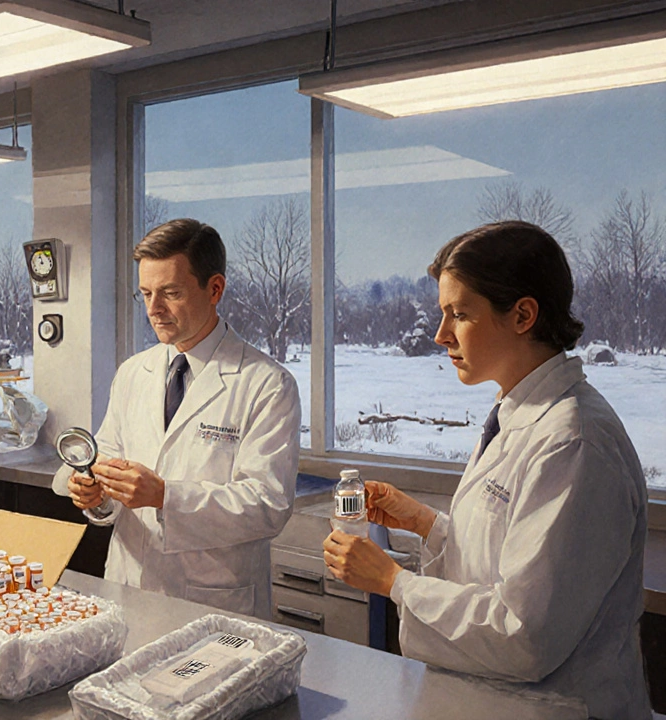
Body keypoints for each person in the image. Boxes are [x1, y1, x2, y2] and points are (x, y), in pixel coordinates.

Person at [322, 221, 651, 719]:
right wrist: (424, 524)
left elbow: (524, 634)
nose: (440, 335)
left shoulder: (574, 441)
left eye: (459, 314)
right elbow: (509, 557)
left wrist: (394, 582)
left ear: (522, 315)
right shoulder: (517, 413)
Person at [51, 219, 301, 618]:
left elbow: (267, 505)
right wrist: (94, 495)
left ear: (214, 289)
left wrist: (166, 496)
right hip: (129, 585)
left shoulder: (267, 384)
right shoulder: (135, 372)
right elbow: (108, 457)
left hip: (213, 601)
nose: (154, 309)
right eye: (146, 293)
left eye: (170, 293)